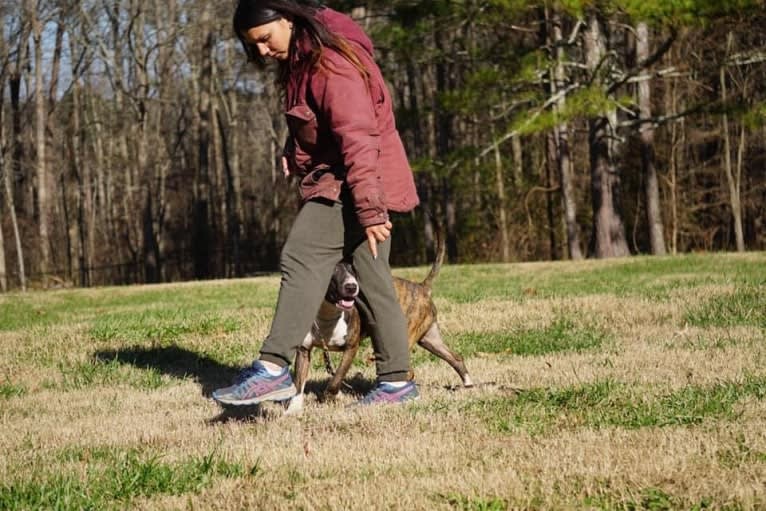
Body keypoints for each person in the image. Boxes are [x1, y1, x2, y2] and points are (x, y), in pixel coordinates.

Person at [212, 0, 421, 407]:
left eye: (264, 39)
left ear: (287, 19)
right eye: (251, 46)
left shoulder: (329, 62)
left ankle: (272, 368)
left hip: (354, 183)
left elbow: (359, 135)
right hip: (355, 180)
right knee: (374, 279)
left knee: (302, 256)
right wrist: (296, 149)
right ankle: (397, 383)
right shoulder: (305, 61)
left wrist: (370, 208)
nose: (261, 52)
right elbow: (320, 122)